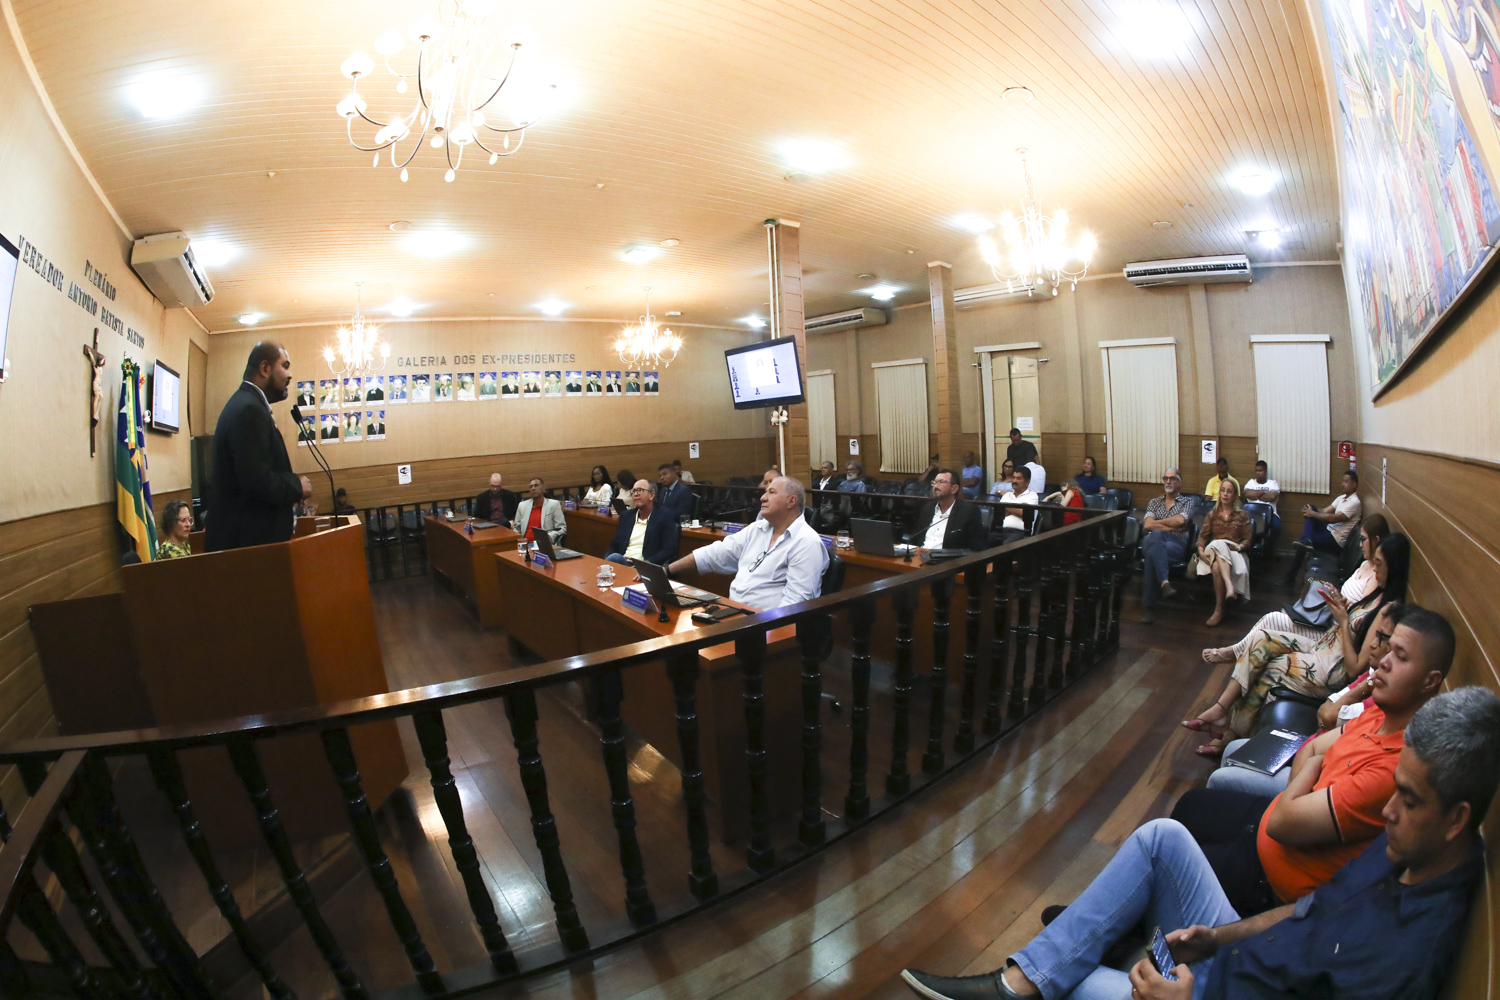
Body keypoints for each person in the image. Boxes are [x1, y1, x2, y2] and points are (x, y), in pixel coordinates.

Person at [900, 682, 1500, 1000]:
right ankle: (1047, 967)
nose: (1389, 811)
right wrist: (1219, 935)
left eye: (1411, 800)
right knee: (1163, 835)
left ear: (1457, 819)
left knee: (1072, 977)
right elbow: (1306, 911)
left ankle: (1069, 957)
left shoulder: (1407, 952)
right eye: (1397, 791)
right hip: (1232, 954)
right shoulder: (1404, 849)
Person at [1171, 606, 1454, 919]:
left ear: (1430, 682)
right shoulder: (1381, 711)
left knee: (1163, 856)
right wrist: (1306, 781)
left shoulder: (1395, 769)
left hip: (1272, 880)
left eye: (1400, 656)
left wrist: (1309, 777)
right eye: (1388, 648)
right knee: (1191, 805)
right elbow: (1311, 751)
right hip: (1271, 827)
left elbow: (1285, 821)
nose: (1384, 660)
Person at [1183, 534, 1410, 753]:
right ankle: (1222, 710)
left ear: (1394, 566)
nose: (1375, 568)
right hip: (1325, 648)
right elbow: (1352, 628)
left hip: (1332, 668)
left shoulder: (1387, 610)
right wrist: (1342, 608)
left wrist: (1343, 621)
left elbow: (1355, 668)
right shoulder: (1377, 595)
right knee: (1262, 638)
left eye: (1379, 564)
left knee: (1271, 668)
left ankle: (1231, 734)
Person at [1205, 602, 1405, 799]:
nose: (1373, 643)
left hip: (1310, 780)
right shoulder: (1370, 678)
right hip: (1310, 751)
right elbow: (1324, 716)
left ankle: (1226, 706)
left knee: (1218, 778)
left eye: (1381, 637)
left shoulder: (1376, 700)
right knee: (1263, 636)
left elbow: (1327, 720)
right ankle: (1225, 714)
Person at [1202, 514, 1389, 665]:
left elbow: (1356, 616)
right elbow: (1349, 601)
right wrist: (1336, 594)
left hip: (1330, 632)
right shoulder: (1365, 564)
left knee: (1271, 620)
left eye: (1364, 540)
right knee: (1272, 621)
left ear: (1377, 540)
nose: (1360, 544)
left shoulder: (1376, 580)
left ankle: (1233, 653)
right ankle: (1235, 652)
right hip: (1328, 618)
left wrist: (1340, 610)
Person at [204, 343, 313, 552]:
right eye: (285, 365)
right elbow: (257, 481)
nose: (290, 375)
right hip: (249, 552)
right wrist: (297, 486)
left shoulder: (248, 404)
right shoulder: (248, 409)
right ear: (265, 369)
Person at [666, 477, 828, 609]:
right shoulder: (756, 529)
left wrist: (762, 631)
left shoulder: (806, 542)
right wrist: (667, 571)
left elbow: (795, 603)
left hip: (766, 625)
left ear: (791, 501)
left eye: (771, 492)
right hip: (736, 615)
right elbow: (715, 554)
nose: (763, 497)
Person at [1278, 469, 1362, 587]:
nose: (1343, 484)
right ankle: (1307, 540)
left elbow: (1335, 518)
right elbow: (1324, 511)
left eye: (1346, 482)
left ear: (1354, 484)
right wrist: (1311, 510)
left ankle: (1290, 577)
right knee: (1312, 508)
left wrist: (1313, 514)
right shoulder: (1341, 498)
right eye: (1342, 481)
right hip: (1329, 531)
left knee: (1303, 541)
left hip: (1336, 541)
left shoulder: (1354, 502)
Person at [1138, 467, 1193, 625]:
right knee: (1155, 536)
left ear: (1179, 483)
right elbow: (1148, 524)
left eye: (1172, 478)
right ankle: (1164, 583)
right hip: (1153, 540)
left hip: (1175, 544)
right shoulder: (1154, 502)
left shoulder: (1187, 502)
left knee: (1152, 554)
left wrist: (1159, 524)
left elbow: (1181, 521)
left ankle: (1149, 608)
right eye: (1165, 478)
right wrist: (1170, 526)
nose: (1168, 481)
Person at [1193, 479, 1251, 627]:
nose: (1225, 494)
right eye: (1223, 490)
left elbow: (1248, 540)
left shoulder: (1242, 515)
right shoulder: (1212, 514)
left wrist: (1239, 547)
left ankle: (1219, 609)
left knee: (1217, 567)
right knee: (1218, 543)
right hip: (1213, 550)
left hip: (1234, 551)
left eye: (1229, 491)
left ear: (1235, 495)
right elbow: (1202, 537)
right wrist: (1200, 552)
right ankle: (1229, 587)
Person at [605, 480, 680, 565]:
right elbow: (615, 544)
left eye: (640, 490)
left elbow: (669, 550)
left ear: (651, 495)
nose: (636, 494)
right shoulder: (626, 516)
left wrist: (646, 563)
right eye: (633, 491)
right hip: (623, 562)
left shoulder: (664, 516)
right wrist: (606, 558)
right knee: (613, 558)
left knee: (615, 558)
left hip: (644, 566)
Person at [908, 469, 987, 551]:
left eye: (941, 482)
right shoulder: (928, 508)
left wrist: (930, 552)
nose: (936, 486)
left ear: (954, 488)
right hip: (920, 556)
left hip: (947, 561)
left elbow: (975, 548)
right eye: (934, 482)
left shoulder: (969, 511)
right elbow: (915, 537)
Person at [512, 478, 565, 545]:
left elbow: (562, 529)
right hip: (525, 544)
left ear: (543, 488)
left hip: (543, 544)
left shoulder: (554, 505)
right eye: (531, 486)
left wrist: (549, 537)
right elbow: (516, 528)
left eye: (536, 485)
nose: (533, 488)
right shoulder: (522, 506)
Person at [1242, 459, 1281, 549]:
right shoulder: (1251, 483)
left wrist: (1256, 495)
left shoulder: (1272, 483)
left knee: (1277, 527)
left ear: (1266, 471)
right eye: (1256, 471)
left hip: (1271, 515)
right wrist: (1264, 491)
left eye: (1260, 471)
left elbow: (1272, 497)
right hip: (1252, 514)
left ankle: (1267, 547)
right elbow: (1248, 494)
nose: (1258, 473)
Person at [995, 466, 1038, 543]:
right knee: (985, 540)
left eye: (1018, 478)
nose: (1014, 481)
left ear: (1027, 482)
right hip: (1002, 530)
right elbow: (1001, 512)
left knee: (1007, 543)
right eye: (1014, 477)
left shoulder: (1032, 496)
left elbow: (1023, 512)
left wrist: (1007, 507)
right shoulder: (1007, 495)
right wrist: (1016, 510)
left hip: (1021, 532)